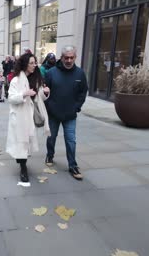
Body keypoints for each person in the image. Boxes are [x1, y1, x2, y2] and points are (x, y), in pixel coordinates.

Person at [6, 52, 50, 186]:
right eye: (31, 63)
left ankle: (22, 162)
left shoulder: (35, 78)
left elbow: (38, 97)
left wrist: (45, 92)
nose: (34, 65)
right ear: (25, 64)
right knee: (21, 143)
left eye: (35, 62)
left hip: (29, 116)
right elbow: (11, 98)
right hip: (19, 117)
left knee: (25, 143)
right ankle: (23, 169)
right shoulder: (16, 80)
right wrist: (24, 94)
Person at [44, 46, 88, 180]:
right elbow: (45, 92)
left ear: (75, 57)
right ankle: (50, 155)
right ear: (61, 57)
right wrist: (49, 107)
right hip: (53, 114)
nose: (69, 60)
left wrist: (77, 107)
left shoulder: (80, 73)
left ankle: (73, 165)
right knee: (51, 137)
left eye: (71, 57)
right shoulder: (51, 72)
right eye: (66, 57)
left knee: (71, 140)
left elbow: (83, 92)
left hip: (70, 114)